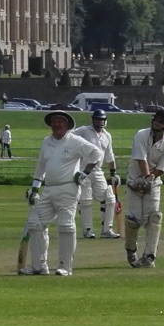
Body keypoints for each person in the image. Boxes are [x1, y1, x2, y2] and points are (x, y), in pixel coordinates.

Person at [23, 109, 103, 276]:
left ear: (67, 125)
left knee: (65, 226)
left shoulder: (75, 141)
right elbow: (41, 167)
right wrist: (34, 188)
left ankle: (65, 267)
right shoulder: (46, 141)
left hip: (68, 189)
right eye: (54, 122)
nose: (57, 124)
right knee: (35, 224)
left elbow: (97, 153)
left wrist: (85, 172)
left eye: (60, 121)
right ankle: (39, 266)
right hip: (48, 189)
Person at [124, 110, 164, 268]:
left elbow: (161, 168)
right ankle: (131, 250)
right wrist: (142, 181)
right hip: (134, 181)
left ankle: (149, 256)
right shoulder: (141, 134)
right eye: (156, 120)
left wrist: (148, 181)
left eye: (161, 122)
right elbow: (141, 159)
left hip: (153, 183)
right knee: (133, 220)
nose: (157, 123)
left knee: (154, 218)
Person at [72, 110, 120, 239]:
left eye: (101, 120)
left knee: (109, 197)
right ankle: (88, 230)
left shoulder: (107, 136)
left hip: (98, 170)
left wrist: (113, 174)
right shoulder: (83, 131)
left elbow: (109, 155)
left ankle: (107, 230)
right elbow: (68, 137)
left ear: (105, 120)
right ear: (93, 120)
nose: (99, 122)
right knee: (86, 200)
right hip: (83, 170)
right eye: (97, 119)